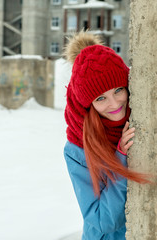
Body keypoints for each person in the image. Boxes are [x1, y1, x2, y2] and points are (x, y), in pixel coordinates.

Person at [63, 31, 148, 240]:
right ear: (87, 104)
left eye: (118, 89)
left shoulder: (143, 117)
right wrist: (121, 158)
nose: (115, 104)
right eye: (100, 98)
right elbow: (103, 221)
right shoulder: (77, 149)